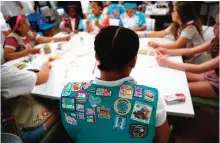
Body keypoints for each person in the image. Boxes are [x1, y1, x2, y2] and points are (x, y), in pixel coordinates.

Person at [60, 26, 170, 143]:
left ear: (97, 57)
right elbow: (162, 139)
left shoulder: (69, 93)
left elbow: (73, 133)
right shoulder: (151, 99)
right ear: (134, 61)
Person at [155, 13, 219, 99]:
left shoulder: (190, 27)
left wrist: (167, 62)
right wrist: (166, 51)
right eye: (215, 23)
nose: (213, 27)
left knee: (181, 87)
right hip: (213, 75)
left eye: (218, 24)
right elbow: (191, 51)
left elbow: (199, 68)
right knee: (176, 75)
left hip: (216, 84)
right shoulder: (215, 40)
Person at [1, 61, 59, 143]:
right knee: (60, 108)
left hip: (10, 123)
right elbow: (42, 77)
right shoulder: (3, 75)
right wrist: (46, 65)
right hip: (22, 135)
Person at [139, 2, 204, 50]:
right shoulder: (177, 25)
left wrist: (157, 45)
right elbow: (161, 33)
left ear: (181, 13)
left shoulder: (190, 27)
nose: (171, 13)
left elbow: (177, 46)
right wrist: (141, 35)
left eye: (174, 11)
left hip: (198, 60)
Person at [3, 15, 71, 61]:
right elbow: (7, 56)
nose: (27, 23)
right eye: (24, 22)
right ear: (19, 28)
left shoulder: (28, 33)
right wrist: (28, 51)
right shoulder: (12, 38)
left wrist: (62, 38)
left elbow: (43, 39)